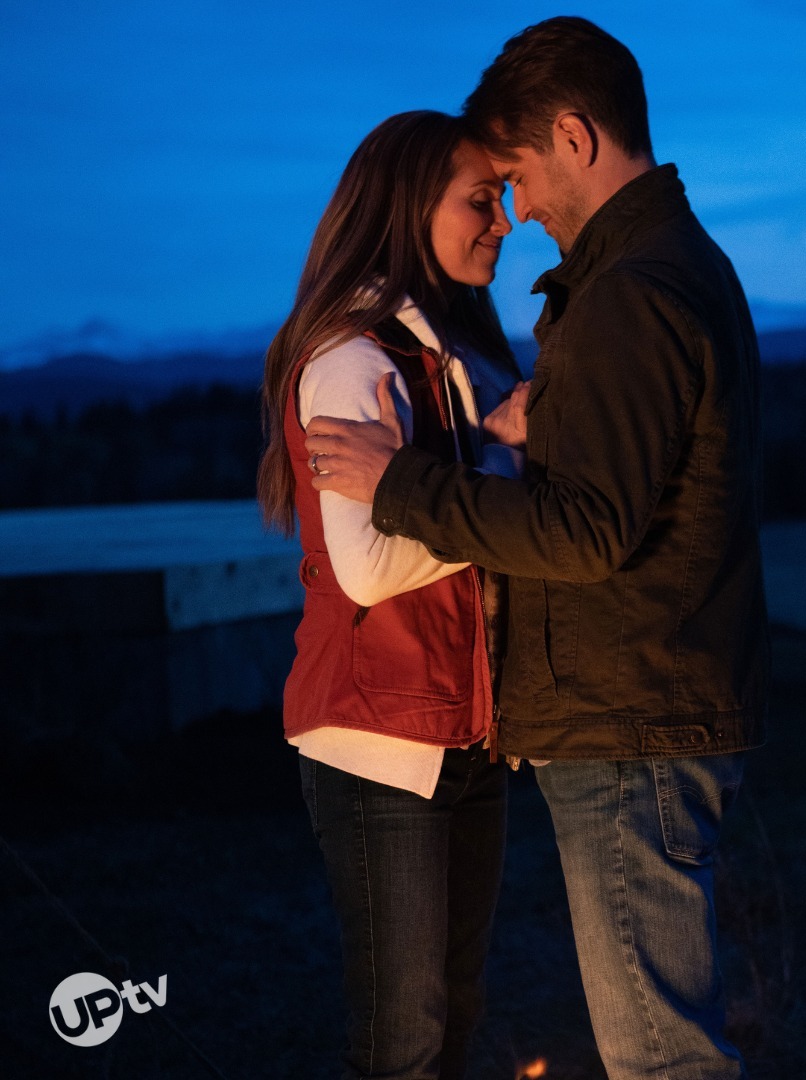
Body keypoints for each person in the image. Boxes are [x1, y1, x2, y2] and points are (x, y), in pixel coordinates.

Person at [304, 18, 771, 1080]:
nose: (517, 213)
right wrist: (521, 438)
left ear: (574, 135)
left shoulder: (630, 292)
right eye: (488, 192)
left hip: (630, 714)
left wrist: (406, 483)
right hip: (635, 702)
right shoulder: (662, 272)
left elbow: (586, 529)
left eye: (514, 178)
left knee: (659, 1057)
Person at [256, 110, 527, 1080]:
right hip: (377, 740)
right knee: (404, 1036)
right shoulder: (353, 359)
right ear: (412, 207)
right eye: (480, 200)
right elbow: (369, 566)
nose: (503, 220)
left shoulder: (446, 357)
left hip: (464, 729)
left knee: (453, 1013)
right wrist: (502, 466)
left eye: (501, 197)